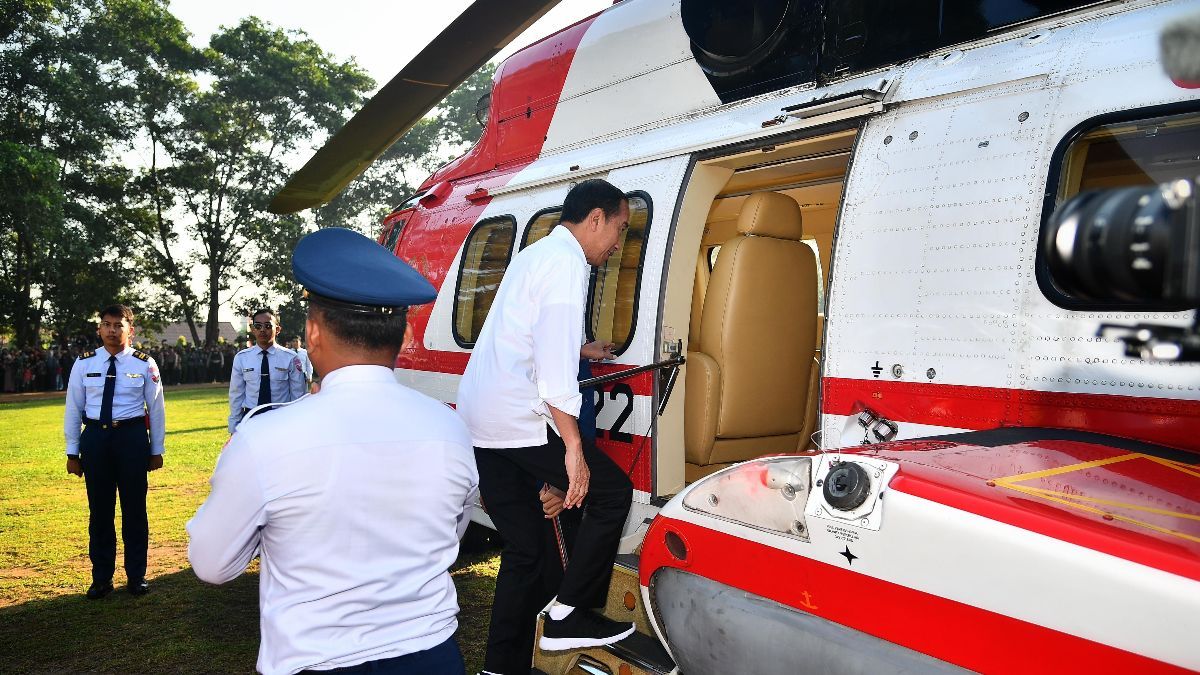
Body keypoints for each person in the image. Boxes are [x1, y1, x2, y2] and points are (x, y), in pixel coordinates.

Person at [188, 227, 478, 675]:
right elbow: (451, 532)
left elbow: (212, 563)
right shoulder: (450, 427)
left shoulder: (265, 439)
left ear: (313, 332)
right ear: (402, 337)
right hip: (432, 655)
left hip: (318, 659)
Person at [457, 179, 635, 675]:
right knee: (610, 492)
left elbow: (527, 333)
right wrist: (573, 447)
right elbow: (556, 377)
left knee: (526, 549)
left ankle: (500, 667)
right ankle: (568, 613)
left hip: (482, 421)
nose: (617, 242)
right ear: (595, 218)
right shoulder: (567, 263)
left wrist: (582, 349)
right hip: (517, 418)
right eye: (619, 228)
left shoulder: (536, 254)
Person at [63, 304, 166, 599]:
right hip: (95, 439)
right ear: (99, 328)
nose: (111, 330)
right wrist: (73, 452)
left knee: (135, 510)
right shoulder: (84, 364)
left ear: (130, 330)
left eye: (118, 325)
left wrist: (156, 449)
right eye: (106, 324)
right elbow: (73, 408)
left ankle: (136, 576)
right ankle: (101, 579)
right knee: (100, 512)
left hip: (132, 438)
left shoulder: (144, 364)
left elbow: (156, 410)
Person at [226, 309, 306, 433]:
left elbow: (298, 395)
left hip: (281, 418)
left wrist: (297, 423)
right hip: (251, 418)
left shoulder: (290, 358)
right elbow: (236, 394)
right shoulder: (242, 358)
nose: (262, 330)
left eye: (268, 326)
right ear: (252, 329)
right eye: (258, 326)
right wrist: (235, 425)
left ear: (278, 329)